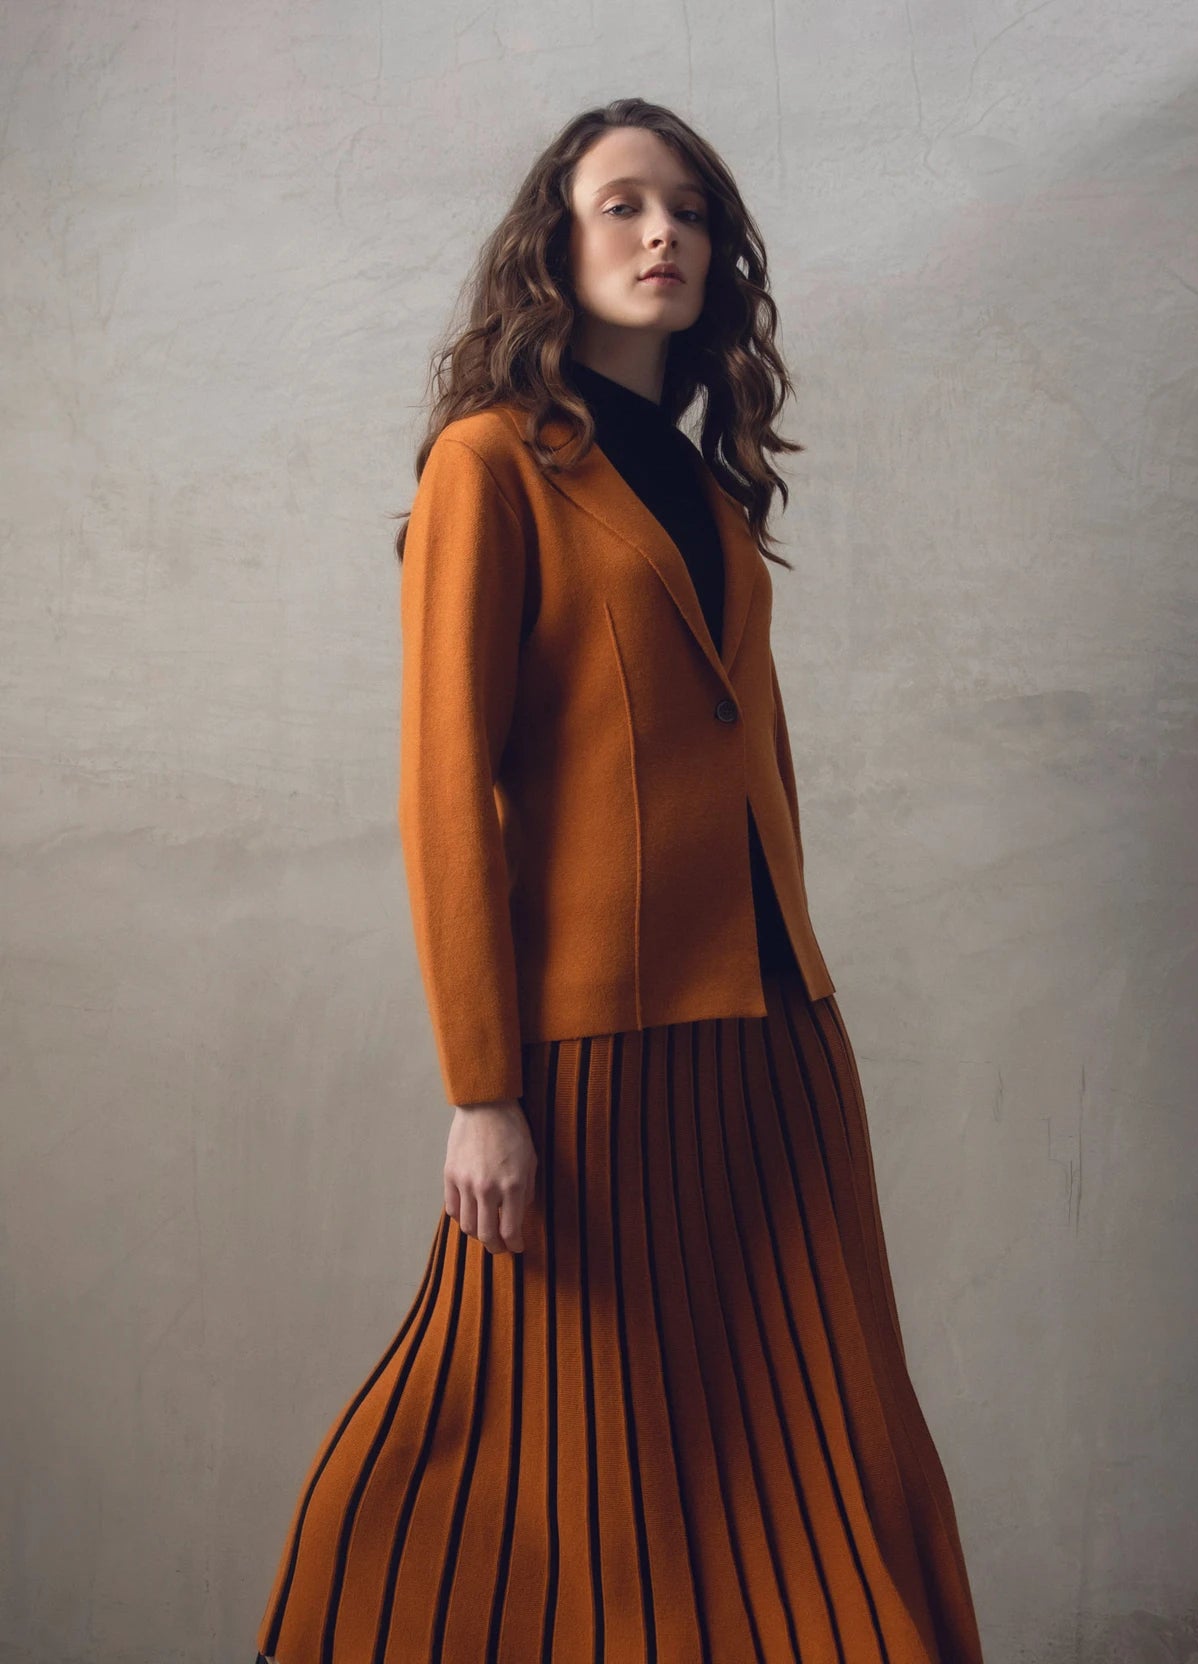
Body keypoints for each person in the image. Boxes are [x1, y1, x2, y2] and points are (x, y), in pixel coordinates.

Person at [253, 97, 985, 1664]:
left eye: (692, 213)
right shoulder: (491, 466)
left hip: (779, 1043)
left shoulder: (715, 492)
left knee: (821, 1437)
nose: (665, 235)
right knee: (544, 1448)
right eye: (623, 207)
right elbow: (447, 785)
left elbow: (755, 763)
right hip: (591, 1061)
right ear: (555, 246)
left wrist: (803, 989)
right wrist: (482, 1088)